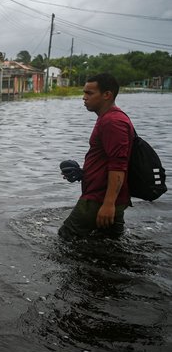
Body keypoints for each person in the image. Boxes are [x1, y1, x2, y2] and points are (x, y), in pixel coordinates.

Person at [58, 73, 134, 239]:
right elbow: (108, 161)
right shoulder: (107, 118)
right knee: (108, 244)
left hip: (99, 199)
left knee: (65, 239)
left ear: (107, 95)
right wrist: (85, 173)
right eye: (84, 92)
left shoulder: (113, 121)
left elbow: (118, 166)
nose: (84, 98)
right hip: (104, 196)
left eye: (89, 93)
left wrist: (108, 204)